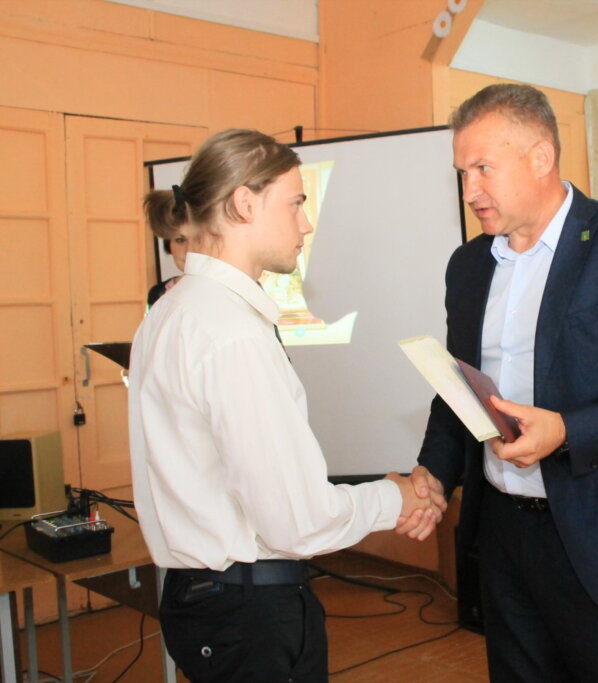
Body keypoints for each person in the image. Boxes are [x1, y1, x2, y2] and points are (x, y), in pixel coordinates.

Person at [416, 84, 598, 682]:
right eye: (462, 172)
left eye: (483, 169)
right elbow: (461, 387)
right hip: (502, 535)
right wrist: (431, 471)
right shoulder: (469, 265)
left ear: (541, 157)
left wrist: (568, 430)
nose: (470, 191)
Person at [128, 128, 445, 683]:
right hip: (247, 610)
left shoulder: (171, 311)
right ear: (244, 203)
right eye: (296, 203)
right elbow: (295, 522)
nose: (306, 222)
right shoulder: (231, 333)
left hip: (208, 600)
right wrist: (394, 498)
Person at [144, 213, 194, 307]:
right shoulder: (157, 293)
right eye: (180, 240)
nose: (189, 250)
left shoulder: (225, 291)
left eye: (198, 240)